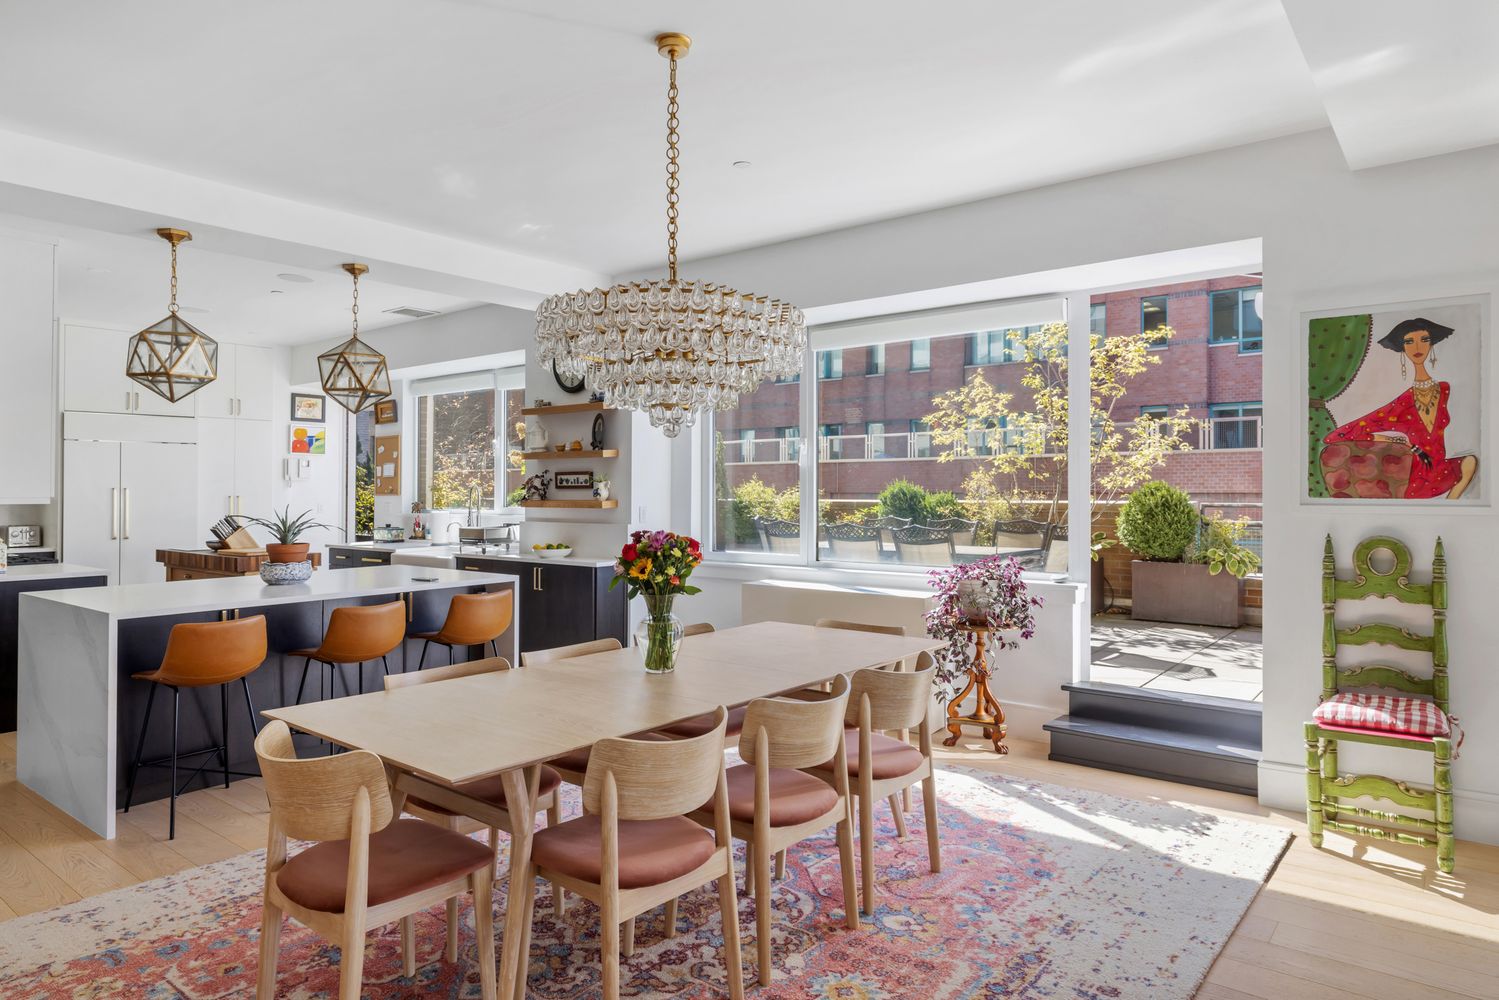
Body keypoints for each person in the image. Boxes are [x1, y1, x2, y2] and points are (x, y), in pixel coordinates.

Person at [1323, 317, 1477, 499]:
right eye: (1409, 342)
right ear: (1403, 348)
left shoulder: (1444, 389)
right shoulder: (1403, 402)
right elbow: (1335, 436)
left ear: (1431, 344)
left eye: (1424, 340)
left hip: (1439, 470)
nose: (1417, 347)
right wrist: (1395, 439)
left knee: (1470, 463)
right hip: (1413, 475)